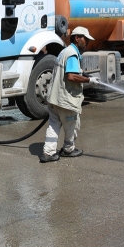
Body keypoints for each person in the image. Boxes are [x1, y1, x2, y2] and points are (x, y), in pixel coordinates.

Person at [39, 26, 100, 163]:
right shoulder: (72, 53)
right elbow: (71, 76)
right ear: (77, 38)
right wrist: (89, 80)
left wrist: (82, 74)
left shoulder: (65, 51)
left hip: (54, 98)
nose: (87, 42)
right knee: (72, 125)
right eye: (85, 39)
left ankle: (48, 153)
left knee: (54, 125)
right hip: (65, 100)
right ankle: (68, 149)